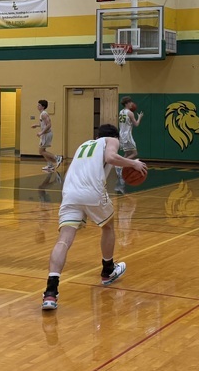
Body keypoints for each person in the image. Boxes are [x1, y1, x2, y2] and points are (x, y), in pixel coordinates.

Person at [41, 124, 146, 311]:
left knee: (63, 240)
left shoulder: (84, 145)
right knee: (108, 226)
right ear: (115, 138)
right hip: (91, 191)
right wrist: (133, 164)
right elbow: (111, 157)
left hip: (70, 192)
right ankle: (108, 270)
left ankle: (50, 292)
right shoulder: (111, 140)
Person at [115, 97, 143, 191]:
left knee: (127, 153)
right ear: (127, 103)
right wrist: (139, 117)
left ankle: (120, 168)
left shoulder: (121, 112)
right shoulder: (130, 113)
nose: (132, 104)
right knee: (135, 153)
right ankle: (119, 165)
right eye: (130, 102)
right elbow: (136, 124)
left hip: (121, 135)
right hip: (127, 135)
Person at [32, 99, 62, 172]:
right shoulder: (42, 114)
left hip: (46, 134)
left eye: (39, 105)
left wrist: (41, 133)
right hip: (45, 134)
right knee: (42, 150)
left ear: (43, 106)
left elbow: (49, 125)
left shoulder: (44, 114)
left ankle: (57, 158)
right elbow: (43, 124)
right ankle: (50, 165)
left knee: (41, 151)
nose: (37, 106)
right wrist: (37, 125)